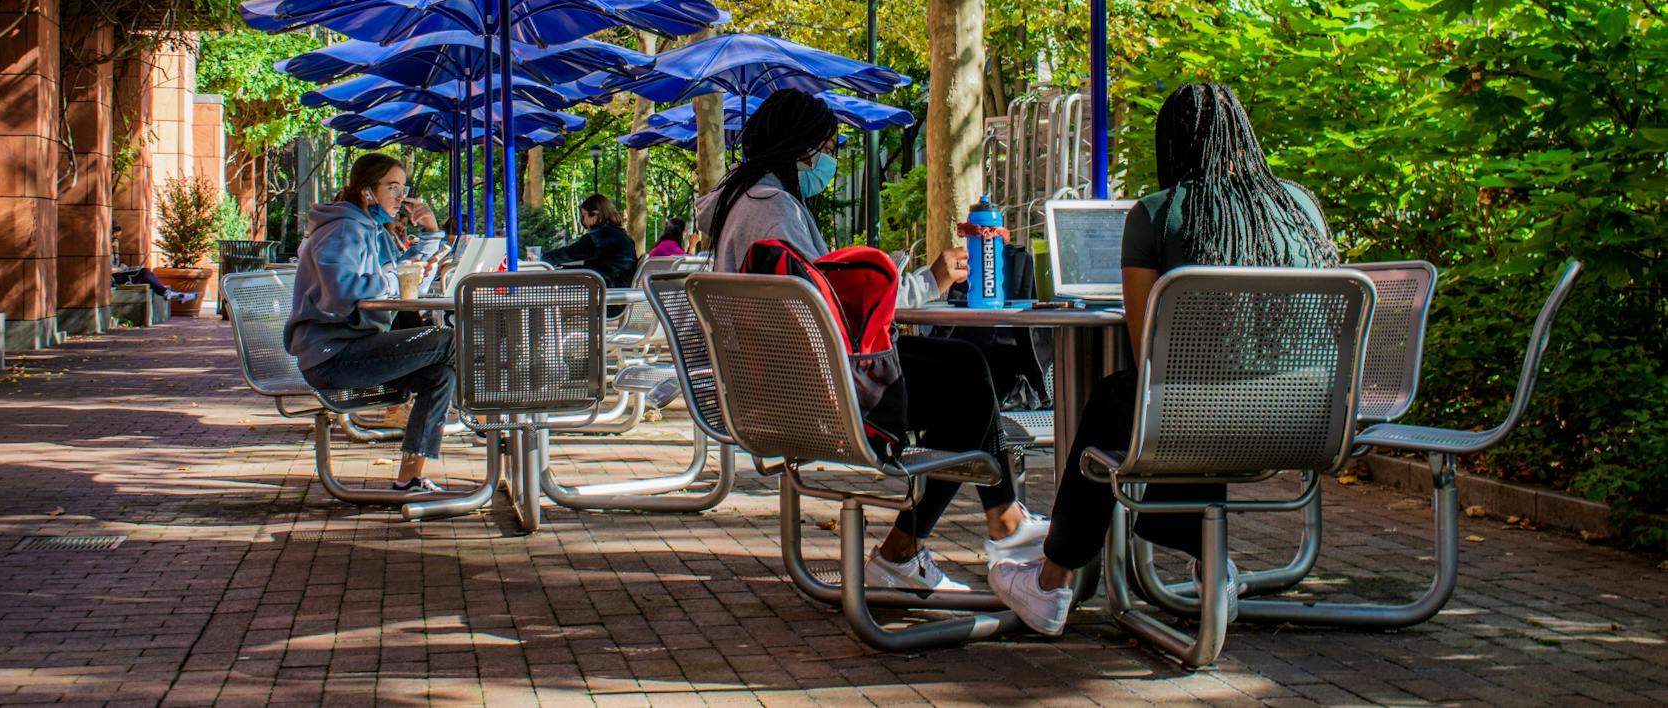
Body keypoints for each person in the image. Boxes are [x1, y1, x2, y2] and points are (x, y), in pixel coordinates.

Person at [989, 82, 1340, 636]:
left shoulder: (1159, 214)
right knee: (1202, 389)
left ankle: (1052, 582)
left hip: (1199, 419)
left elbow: (1147, 347)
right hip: (1307, 418)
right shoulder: (1300, 210)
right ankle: (1210, 563)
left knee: (1123, 396)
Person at [696, 88, 1049, 593]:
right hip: (821, 393)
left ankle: (982, 524)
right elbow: (831, 305)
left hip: (782, 384)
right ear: (803, 149)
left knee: (966, 366)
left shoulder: (742, 203)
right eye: (827, 148)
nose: (829, 161)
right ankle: (944, 538)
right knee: (968, 386)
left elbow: (818, 291)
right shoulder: (773, 209)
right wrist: (930, 280)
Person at [283, 154, 456, 494]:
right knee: (448, 341)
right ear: (367, 192)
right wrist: (394, 279)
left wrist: (431, 234)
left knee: (441, 373)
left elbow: (404, 280)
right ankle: (489, 418)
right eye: (392, 187)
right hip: (333, 358)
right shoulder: (344, 228)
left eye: (403, 188)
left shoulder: (368, 228)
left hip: (353, 348)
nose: (400, 197)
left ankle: (410, 479)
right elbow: (343, 290)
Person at [544, 193, 639, 287]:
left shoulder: (600, 236)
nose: (583, 222)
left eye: (584, 216)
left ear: (595, 214)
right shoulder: (618, 234)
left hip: (608, 285)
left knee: (555, 278)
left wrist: (541, 260)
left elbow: (570, 253)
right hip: (618, 283)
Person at [109, 223, 198, 303]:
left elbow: (115, 264)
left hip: (118, 273)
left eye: (117, 237)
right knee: (144, 273)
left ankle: (170, 293)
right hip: (113, 279)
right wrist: (120, 269)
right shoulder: (102, 250)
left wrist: (116, 252)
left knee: (144, 272)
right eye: (114, 237)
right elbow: (105, 269)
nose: (116, 240)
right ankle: (169, 293)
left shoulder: (111, 248)